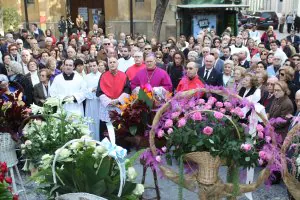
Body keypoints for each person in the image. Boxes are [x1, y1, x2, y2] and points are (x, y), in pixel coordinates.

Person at [96, 56, 130, 139]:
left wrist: (118, 101)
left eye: (114, 62)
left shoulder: (124, 75)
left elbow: (127, 90)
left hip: (119, 106)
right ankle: (106, 148)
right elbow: (99, 91)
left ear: (117, 63)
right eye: (110, 62)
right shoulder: (103, 76)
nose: (112, 64)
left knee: (119, 127)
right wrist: (109, 102)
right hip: (107, 106)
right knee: (106, 129)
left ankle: (120, 147)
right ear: (108, 64)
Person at [84, 59, 102, 140]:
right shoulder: (86, 77)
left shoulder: (102, 76)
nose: (93, 68)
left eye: (94, 65)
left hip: (99, 102)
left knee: (98, 121)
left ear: (98, 66)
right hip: (90, 103)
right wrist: (91, 89)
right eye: (90, 66)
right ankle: (90, 140)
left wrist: (98, 89)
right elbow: (83, 91)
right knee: (90, 121)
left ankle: (99, 139)